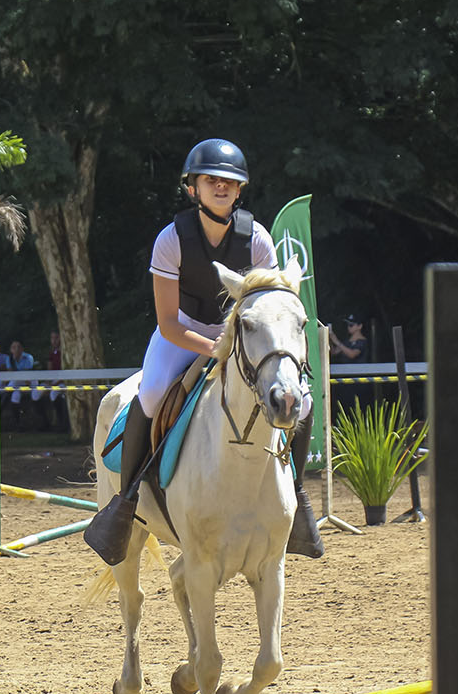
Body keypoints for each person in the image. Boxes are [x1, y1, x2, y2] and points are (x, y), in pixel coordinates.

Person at [84, 138, 323, 565]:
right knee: (151, 393)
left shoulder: (258, 239)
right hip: (184, 333)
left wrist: (240, 348)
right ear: (192, 188)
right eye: (211, 180)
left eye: (229, 182)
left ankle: (298, 496)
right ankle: (126, 500)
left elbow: (269, 309)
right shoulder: (171, 239)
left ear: (240, 189)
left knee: (301, 402)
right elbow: (168, 323)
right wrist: (216, 348)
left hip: (244, 337)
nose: (221, 187)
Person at [0, 339, 40, 430]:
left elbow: (26, 375)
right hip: (17, 383)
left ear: (22, 349)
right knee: (15, 396)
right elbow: (10, 374)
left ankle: (40, 421)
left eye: (18, 347)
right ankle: (17, 423)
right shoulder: (9, 359)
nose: (16, 349)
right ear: (11, 350)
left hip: (30, 382)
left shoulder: (28, 358)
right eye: (14, 347)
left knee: (35, 395)